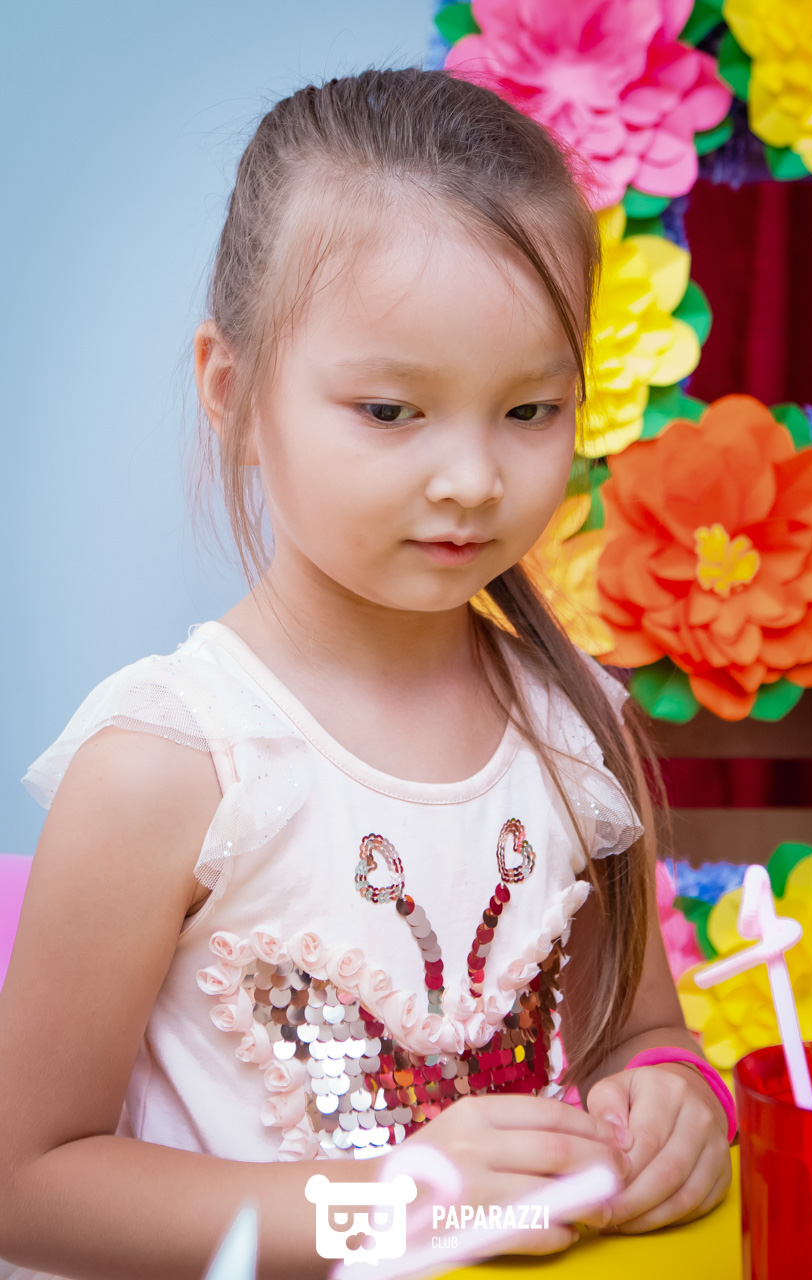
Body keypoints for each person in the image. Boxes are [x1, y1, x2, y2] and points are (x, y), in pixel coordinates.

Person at [0, 67, 733, 1280]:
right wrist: (382, 1209)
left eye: (529, 409)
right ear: (235, 393)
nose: (471, 479)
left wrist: (673, 1099)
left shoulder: (572, 725)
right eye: (391, 411)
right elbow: (25, 1186)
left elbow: (638, 1033)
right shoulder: (170, 765)